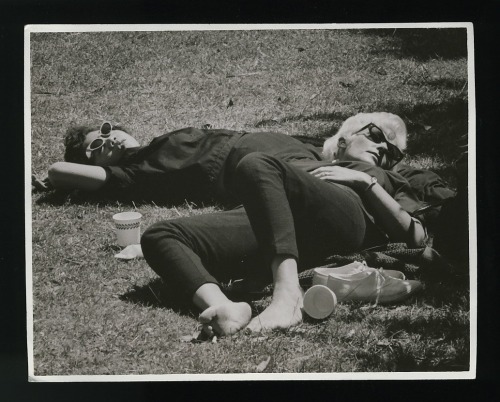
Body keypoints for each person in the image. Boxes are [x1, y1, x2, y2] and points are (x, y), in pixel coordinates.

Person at [140, 112, 431, 336]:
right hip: (273, 218)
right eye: (377, 135)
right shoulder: (301, 160)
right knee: (160, 234)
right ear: (344, 138)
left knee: (256, 164)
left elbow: (417, 236)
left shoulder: (390, 180)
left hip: (343, 214)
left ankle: (287, 296)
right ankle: (225, 307)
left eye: (393, 154)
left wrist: (366, 183)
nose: (384, 149)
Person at [39, 123, 323, 205]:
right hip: (247, 163)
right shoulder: (131, 175)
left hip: (268, 141)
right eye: (97, 148)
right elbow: (58, 170)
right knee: (336, 182)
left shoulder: (156, 144)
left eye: (105, 131)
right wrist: (57, 184)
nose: (108, 140)